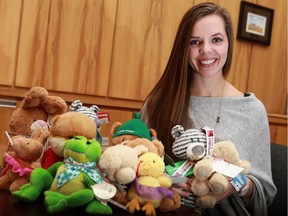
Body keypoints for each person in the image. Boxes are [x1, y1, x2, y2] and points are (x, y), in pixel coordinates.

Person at [140, 2, 277, 216]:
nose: (206, 49)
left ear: (228, 44)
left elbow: (264, 190)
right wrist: (162, 184)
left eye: (216, 39)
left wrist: (235, 184)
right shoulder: (158, 102)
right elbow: (139, 167)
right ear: (183, 48)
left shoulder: (252, 110)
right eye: (195, 42)